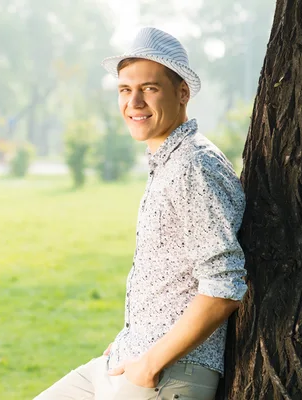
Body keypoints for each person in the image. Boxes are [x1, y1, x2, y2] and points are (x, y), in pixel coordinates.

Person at [33, 27, 248, 400]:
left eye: (149, 88)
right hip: (126, 358)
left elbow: (224, 287)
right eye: (124, 90)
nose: (134, 102)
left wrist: (148, 365)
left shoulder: (193, 166)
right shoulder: (169, 161)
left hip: (167, 373)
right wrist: (129, 343)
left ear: (182, 93)